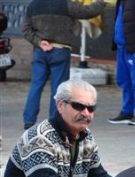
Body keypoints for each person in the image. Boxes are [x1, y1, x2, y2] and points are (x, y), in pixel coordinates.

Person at [21, 0, 106, 130]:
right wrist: (102, 2)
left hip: (40, 51)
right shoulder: (66, 4)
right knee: (58, 89)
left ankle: (28, 121)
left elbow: (26, 29)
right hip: (61, 50)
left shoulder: (34, 5)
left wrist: (39, 42)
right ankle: (54, 122)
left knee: (36, 86)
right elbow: (88, 12)